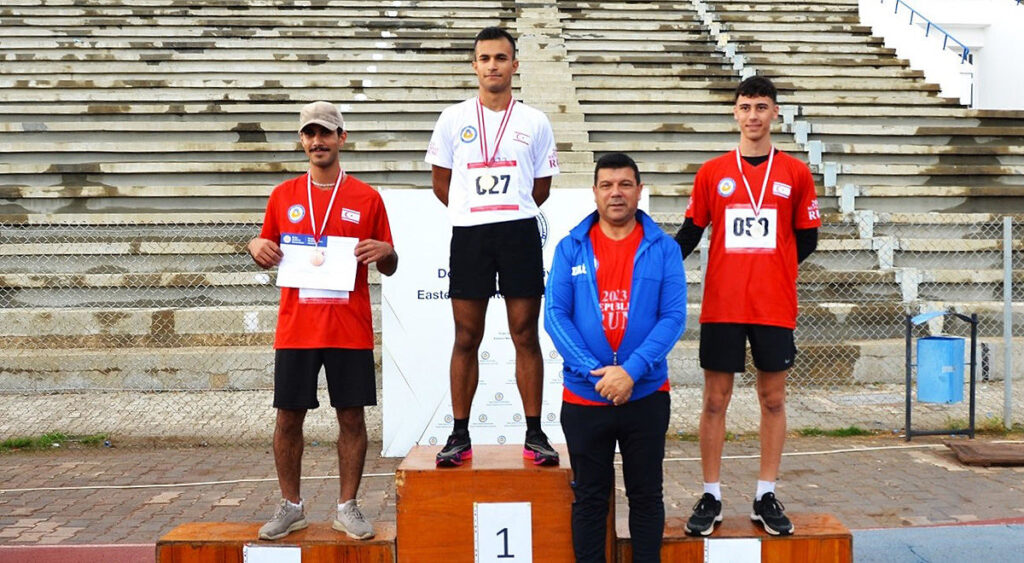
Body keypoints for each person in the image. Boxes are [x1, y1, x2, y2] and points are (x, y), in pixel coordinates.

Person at [675, 76, 820, 537]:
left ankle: (765, 493)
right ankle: (711, 494)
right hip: (722, 304)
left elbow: (808, 238)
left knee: (772, 400)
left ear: (774, 112)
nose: (752, 115)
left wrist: (774, 268)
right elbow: (691, 232)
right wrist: (650, 265)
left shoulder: (795, 173)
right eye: (745, 107)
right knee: (714, 401)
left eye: (761, 107)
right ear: (735, 113)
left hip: (773, 305)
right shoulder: (712, 172)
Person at [248, 101, 398, 541]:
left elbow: (389, 264)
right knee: (287, 418)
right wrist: (255, 245)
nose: (318, 141)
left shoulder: (367, 198)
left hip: (348, 328)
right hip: (297, 327)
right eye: (310, 134)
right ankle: (291, 506)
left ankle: (347, 507)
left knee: (351, 418)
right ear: (301, 140)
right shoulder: (283, 195)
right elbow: (266, 249)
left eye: (326, 133)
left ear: (341, 138)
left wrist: (387, 253)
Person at [425, 26, 561, 467]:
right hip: (471, 235)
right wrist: (474, 212)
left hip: (519, 233)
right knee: (466, 335)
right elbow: (442, 183)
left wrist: (509, 210)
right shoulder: (453, 118)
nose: (493, 66)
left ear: (514, 65)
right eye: (485, 58)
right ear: (474, 66)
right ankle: (459, 434)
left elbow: (541, 187)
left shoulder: (535, 121)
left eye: (501, 58)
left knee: (525, 333)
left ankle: (535, 433)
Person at [545, 153, 687, 562]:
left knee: (646, 495)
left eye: (625, 184)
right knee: (590, 498)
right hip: (585, 396)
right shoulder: (570, 247)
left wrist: (631, 372)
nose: (616, 193)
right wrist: (597, 373)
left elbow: (673, 317)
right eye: (606, 185)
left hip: (645, 395)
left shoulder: (664, 248)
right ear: (594, 192)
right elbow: (555, 315)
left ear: (639, 191)